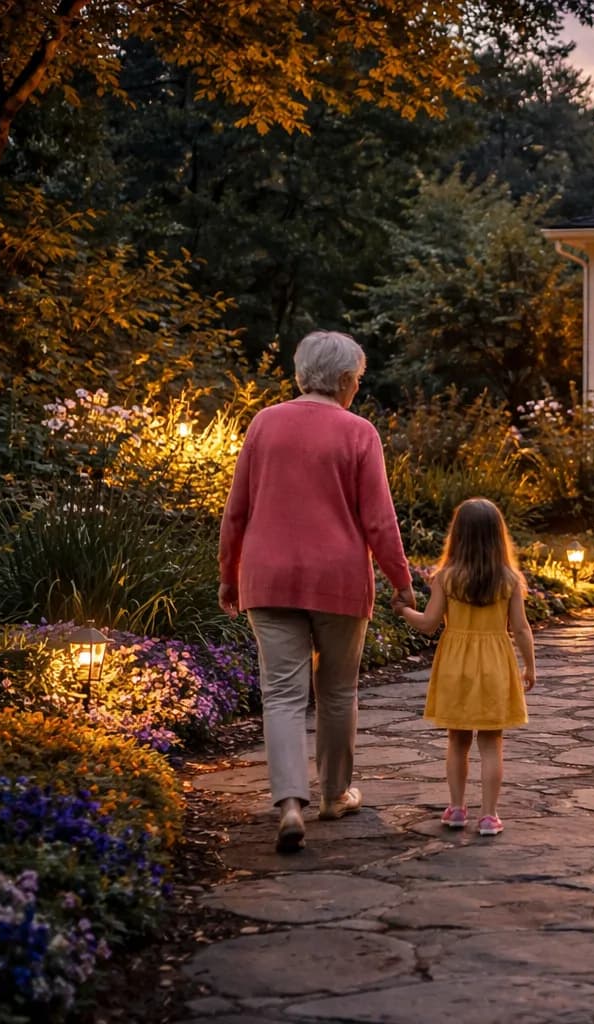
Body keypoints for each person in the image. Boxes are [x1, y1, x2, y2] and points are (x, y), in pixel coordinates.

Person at [218, 330, 416, 853]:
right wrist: (402, 581)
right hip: (339, 579)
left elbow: (237, 508)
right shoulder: (358, 432)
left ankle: (288, 804)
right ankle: (333, 796)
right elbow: (378, 519)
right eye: (358, 380)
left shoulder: (264, 424)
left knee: (281, 694)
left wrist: (227, 572)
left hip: (267, 577)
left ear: (302, 374)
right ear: (348, 381)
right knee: (337, 691)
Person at [397, 498, 536, 836]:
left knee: (457, 741)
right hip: (495, 665)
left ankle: (457, 809)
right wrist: (530, 666)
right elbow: (520, 628)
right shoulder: (508, 580)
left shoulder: (446, 578)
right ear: (497, 536)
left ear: (456, 536)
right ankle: (489, 815)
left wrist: (403, 611)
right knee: (492, 744)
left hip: (455, 667)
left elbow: (429, 623)